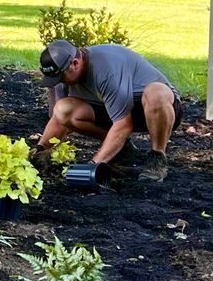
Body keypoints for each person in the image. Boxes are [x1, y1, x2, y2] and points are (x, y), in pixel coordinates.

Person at [31, 39, 183, 183]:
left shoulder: (107, 70)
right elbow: (58, 119)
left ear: (75, 63)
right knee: (63, 109)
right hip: (115, 108)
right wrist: (39, 150)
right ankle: (122, 148)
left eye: (60, 77)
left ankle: (157, 158)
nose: (59, 83)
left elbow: (124, 124)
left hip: (157, 110)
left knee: (156, 94)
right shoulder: (63, 74)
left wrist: (94, 164)